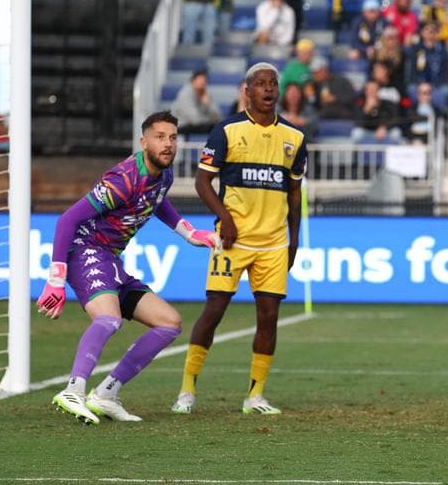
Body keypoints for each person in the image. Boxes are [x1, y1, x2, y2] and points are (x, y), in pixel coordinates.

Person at [39, 111, 218, 424]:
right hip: (86, 251)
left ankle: (106, 394)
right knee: (108, 319)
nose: (168, 144)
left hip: (110, 258)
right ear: (143, 141)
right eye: (160, 137)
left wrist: (189, 233)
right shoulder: (122, 181)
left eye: (173, 138)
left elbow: (158, 201)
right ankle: (73, 389)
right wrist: (56, 279)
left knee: (169, 323)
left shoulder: (164, 175)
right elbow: (67, 219)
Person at [173, 63, 307, 417]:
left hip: (274, 243)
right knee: (214, 310)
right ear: (247, 90)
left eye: (272, 84)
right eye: (260, 84)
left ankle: (255, 395)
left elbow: (294, 194)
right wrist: (226, 218)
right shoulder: (226, 131)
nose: (268, 89)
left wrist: (294, 242)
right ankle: (187, 390)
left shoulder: (294, 138)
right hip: (232, 240)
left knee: (269, 316)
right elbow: (202, 183)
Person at [171, 69, 222, 135]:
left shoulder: (206, 94)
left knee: (219, 127)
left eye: (205, 81)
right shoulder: (185, 94)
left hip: (199, 125)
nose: (203, 83)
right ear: (193, 81)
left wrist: (207, 104)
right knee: (212, 127)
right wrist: (210, 119)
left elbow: (218, 117)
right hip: (182, 126)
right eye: (200, 80)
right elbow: (195, 119)